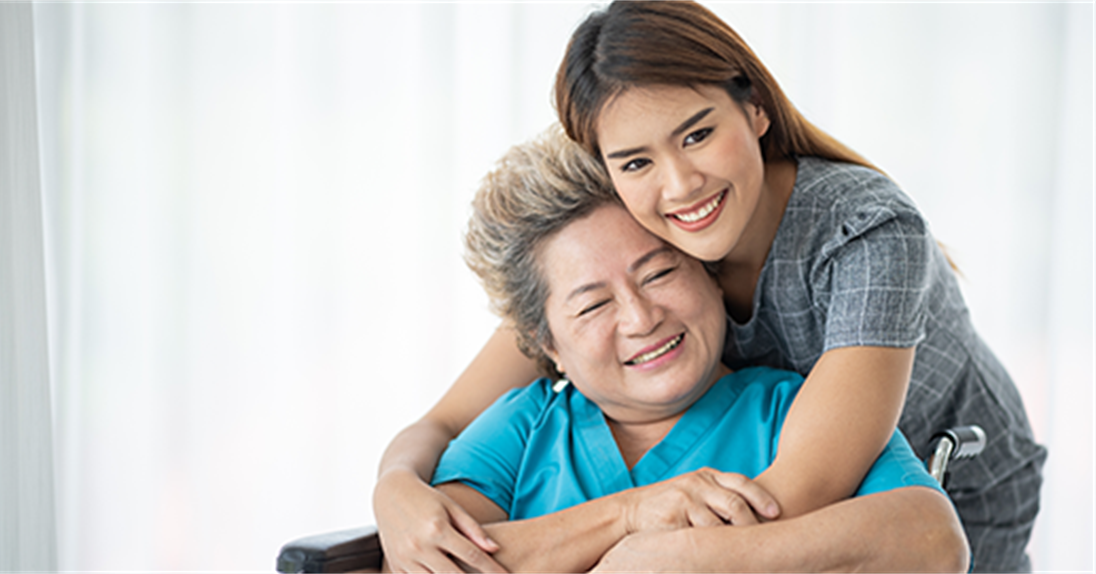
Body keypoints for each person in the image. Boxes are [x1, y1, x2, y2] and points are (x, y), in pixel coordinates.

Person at [373, 2, 1046, 572]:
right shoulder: (635, 225)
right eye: (637, 160)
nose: (681, 184)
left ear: (754, 108)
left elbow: (802, 494)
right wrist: (396, 489)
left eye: (698, 134)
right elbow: (463, 406)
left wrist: (638, 547)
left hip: (947, 477)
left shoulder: (865, 234)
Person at [379, 126, 968, 573]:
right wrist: (632, 515)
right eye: (591, 306)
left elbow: (932, 540)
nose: (640, 317)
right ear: (544, 343)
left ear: (710, 271)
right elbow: (443, 560)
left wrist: (691, 553)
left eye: (660, 273)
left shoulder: (797, 415)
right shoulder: (522, 425)